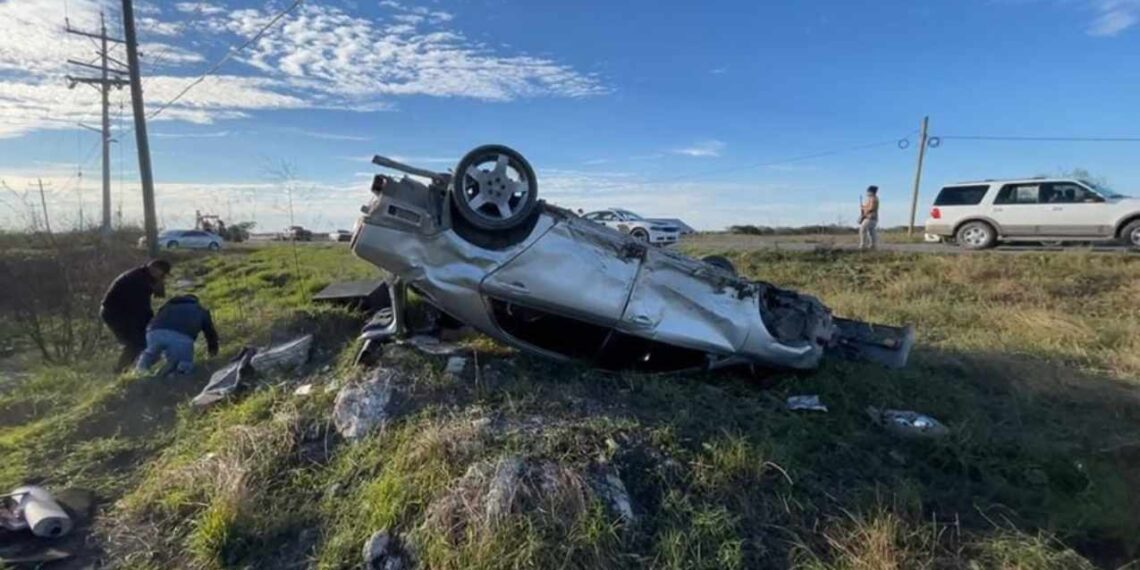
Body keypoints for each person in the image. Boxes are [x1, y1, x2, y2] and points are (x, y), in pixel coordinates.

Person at [101, 260, 171, 372]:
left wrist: (159, 284)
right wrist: (151, 321)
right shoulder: (138, 280)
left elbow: (157, 296)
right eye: (162, 274)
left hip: (125, 311)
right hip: (115, 313)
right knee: (135, 342)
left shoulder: (145, 276)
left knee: (139, 341)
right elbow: (140, 306)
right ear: (155, 269)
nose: (162, 277)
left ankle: (135, 368)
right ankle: (120, 371)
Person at [136, 294, 219, 375]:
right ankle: (168, 378)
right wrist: (213, 352)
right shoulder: (200, 310)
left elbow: (155, 319)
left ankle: (139, 373)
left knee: (150, 353)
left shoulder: (168, 306)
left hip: (154, 332)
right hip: (181, 337)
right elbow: (210, 333)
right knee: (181, 366)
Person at [859, 185, 880, 250]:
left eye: (868, 191)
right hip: (873, 218)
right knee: (871, 232)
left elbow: (871, 208)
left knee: (862, 230)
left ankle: (863, 245)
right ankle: (873, 245)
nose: (867, 193)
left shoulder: (873, 198)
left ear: (871, 192)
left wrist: (863, 208)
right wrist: (864, 207)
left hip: (870, 218)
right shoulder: (873, 198)